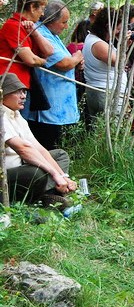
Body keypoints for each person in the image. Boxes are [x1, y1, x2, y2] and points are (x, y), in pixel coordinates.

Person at [2, 73, 77, 209]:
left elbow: (39, 148)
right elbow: (23, 149)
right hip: (4, 178)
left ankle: (50, 195)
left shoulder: (17, 115)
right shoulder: (1, 115)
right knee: (37, 173)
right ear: (2, 94)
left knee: (60, 155)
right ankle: (42, 198)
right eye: (17, 92)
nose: (23, 96)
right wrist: (54, 174)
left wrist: (63, 175)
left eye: (24, 91)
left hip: (20, 166)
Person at [20, 0, 82, 150]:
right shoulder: (40, 33)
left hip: (60, 109)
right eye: (63, 22)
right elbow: (63, 63)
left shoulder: (53, 35)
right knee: (49, 148)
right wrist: (76, 58)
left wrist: (75, 62)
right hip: (48, 111)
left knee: (61, 150)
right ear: (51, 20)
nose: (66, 26)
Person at [0, 0, 54, 112]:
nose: (42, 14)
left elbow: (49, 51)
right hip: (10, 87)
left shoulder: (28, 27)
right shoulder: (13, 26)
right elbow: (31, 59)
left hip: (21, 85)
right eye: (41, 9)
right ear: (32, 7)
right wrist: (43, 61)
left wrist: (34, 33)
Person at [83, 7, 127, 130]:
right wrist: (124, 43)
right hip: (104, 92)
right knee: (109, 129)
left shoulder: (99, 40)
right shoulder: (98, 44)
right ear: (109, 26)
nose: (118, 32)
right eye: (118, 29)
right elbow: (120, 62)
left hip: (105, 91)